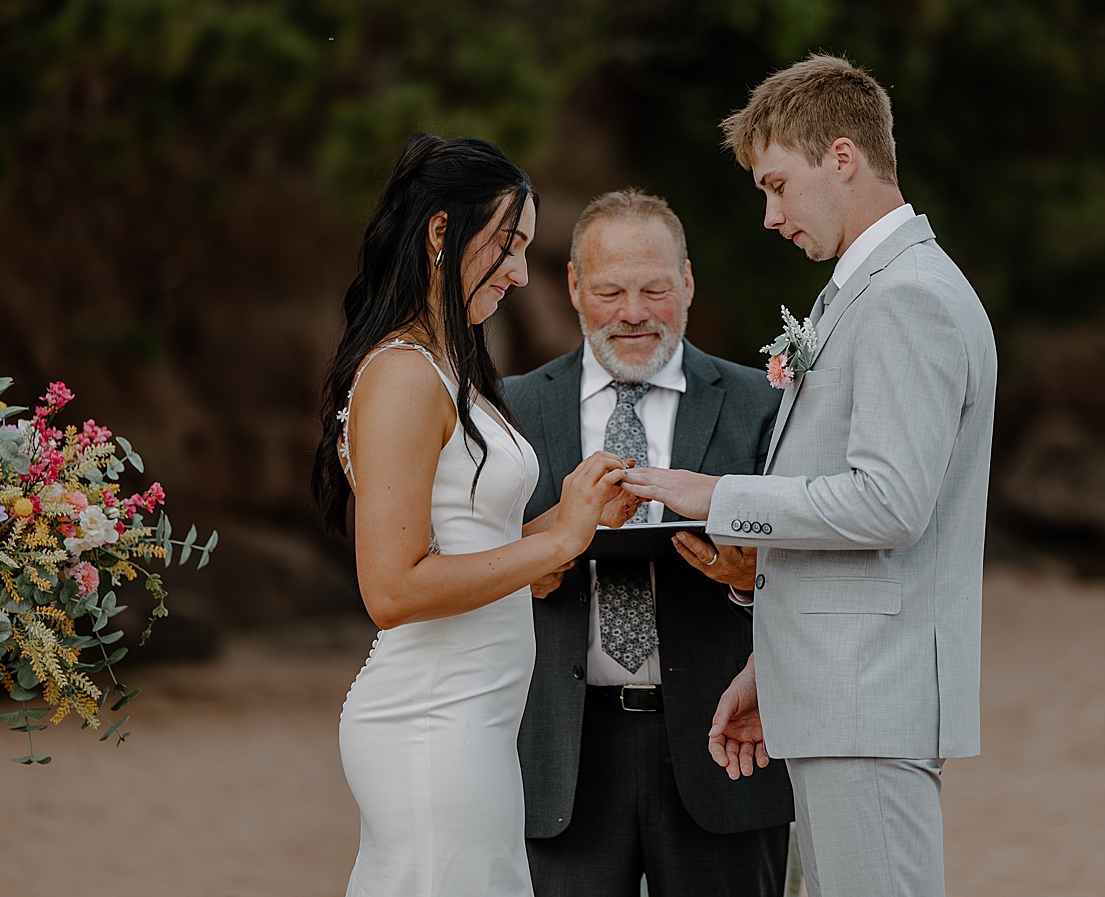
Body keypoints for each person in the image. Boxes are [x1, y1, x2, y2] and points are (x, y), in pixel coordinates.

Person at [621, 55, 997, 897]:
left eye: (777, 185)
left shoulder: (907, 297)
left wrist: (714, 496)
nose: (769, 215)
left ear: (841, 158)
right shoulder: (865, 290)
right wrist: (774, 662)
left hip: (872, 696)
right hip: (838, 689)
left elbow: (889, 503)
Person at [312, 135, 639, 897]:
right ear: (439, 233)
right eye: (508, 244)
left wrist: (570, 520)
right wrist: (560, 537)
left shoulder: (452, 368)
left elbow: (473, 549)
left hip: (478, 724)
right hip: (431, 722)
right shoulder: (401, 374)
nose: (522, 274)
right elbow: (391, 591)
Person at [503, 190, 793, 897]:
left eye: (654, 289)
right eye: (609, 291)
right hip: (562, 752)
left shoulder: (764, 404)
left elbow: (813, 557)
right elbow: (473, 560)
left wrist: (747, 574)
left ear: (687, 283)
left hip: (725, 747)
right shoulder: (512, 408)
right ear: (573, 287)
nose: (633, 312)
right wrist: (532, 565)